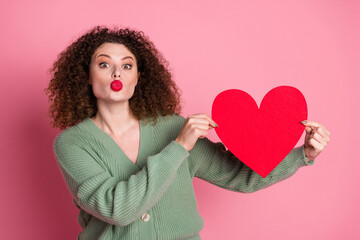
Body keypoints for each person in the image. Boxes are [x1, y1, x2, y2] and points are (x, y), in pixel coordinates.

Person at [45, 26, 330, 240]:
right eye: (104, 64)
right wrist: (179, 146)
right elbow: (117, 210)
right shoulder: (72, 144)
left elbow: (240, 175)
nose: (117, 73)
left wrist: (302, 154)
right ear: (87, 75)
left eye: (127, 65)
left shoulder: (171, 125)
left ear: (138, 77)